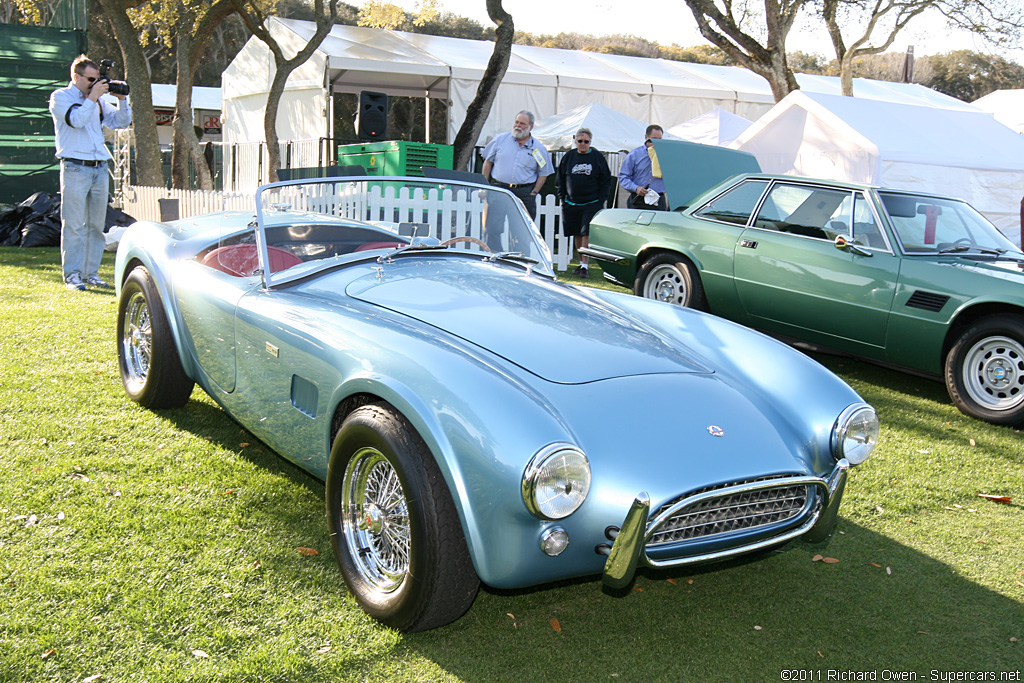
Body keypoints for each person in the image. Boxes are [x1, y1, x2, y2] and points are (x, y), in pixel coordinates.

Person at [49, 55, 132, 291]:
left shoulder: (97, 101)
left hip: (99, 167)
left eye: (98, 79)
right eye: (91, 79)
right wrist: (93, 97)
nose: (95, 84)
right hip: (75, 166)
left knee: (95, 225)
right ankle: (72, 275)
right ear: (76, 77)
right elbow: (76, 120)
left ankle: (90, 273)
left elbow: (121, 122)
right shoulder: (60, 97)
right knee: (73, 224)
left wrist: (122, 100)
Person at [481, 110, 553, 249]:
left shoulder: (538, 148)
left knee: (522, 231)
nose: (518, 126)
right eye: (517, 122)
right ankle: (496, 258)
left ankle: (519, 261)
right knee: (492, 228)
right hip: (498, 189)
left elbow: (544, 173)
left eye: (523, 124)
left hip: (524, 192)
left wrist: (534, 192)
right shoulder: (500, 140)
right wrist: (486, 186)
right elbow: (487, 162)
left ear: (531, 127)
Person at [555, 128, 611, 279]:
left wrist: (601, 199)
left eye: (586, 142)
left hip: (591, 202)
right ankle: (581, 264)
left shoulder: (598, 158)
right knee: (576, 233)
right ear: (575, 141)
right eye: (580, 141)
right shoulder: (569, 157)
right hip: (571, 203)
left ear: (590, 142)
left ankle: (585, 266)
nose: (583, 144)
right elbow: (560, 179)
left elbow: (606, 179)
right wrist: (563, 198)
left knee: (585, 232)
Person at [618, 124, 668, 211]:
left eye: (659, 140)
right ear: (646, 137)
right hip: (638, 199)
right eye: (654, 139)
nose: (656, 143)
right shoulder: (634, 155)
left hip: (658, 199)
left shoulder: (665, 155)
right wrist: (636, 188)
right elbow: (623, 177)